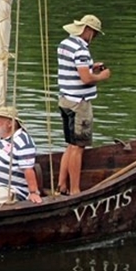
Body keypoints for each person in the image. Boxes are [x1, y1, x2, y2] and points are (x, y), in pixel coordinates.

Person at [56, 14, 111, 195]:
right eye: (94, 34)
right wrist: (100, 76)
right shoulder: (81, 49)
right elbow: (86, 79)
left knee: (70, 144)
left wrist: (90, 67)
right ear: (87, 30)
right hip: (79, 103)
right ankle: (74, 190)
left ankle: (61, 184)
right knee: (78, 147)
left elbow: (73, 69)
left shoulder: (65, 44)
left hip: (65, 99)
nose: (93, 38)